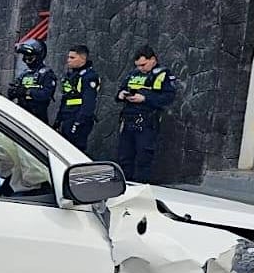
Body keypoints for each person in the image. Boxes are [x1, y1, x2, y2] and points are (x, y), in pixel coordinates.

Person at [114, 45, 177, 182]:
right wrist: (121, 95)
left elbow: (168, 98)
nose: (141, 68)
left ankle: (140, 187)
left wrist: (145, 98)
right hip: (128, 120)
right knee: (124, 157)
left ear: (153, 60)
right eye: (138, 65)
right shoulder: (133, 74)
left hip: (147, 122)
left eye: (143, 64)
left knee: (144, 158)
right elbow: (119, 91)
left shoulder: (163, 75)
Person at [55, 45, 101, 152]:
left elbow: (88, 104)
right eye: (68, 57)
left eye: (72, 58)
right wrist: (58, 120)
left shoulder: (89, 76)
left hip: (78, 118)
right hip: (67, 116)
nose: (68, 60)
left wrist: (78, 123)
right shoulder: (71, 75)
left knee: (75, 150)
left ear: (82, 59)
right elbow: (65, 98)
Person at [6, 39, 57, 124]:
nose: (26, 60)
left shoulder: (46, 74)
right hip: (21, 114)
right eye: (25, 57)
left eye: (29, 57)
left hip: (37, 117)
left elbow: (46, 94)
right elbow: (14, 89)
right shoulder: (24, 74)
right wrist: (13, 92)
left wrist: (27, 92)